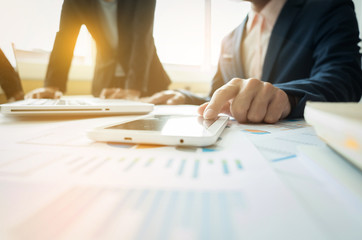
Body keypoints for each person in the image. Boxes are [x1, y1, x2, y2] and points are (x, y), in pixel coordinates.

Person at [146, 0, 362, 123]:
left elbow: (344, 80)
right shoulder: (229, 40)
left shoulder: (327, 7)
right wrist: (183, 98)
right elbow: (217, 96)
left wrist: (287, 98)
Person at [27, 0, 170, 100]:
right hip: (105, 83)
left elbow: (142, 36)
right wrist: (53, 86)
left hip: (147, 81)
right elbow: (65, 39)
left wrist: (133, 89)